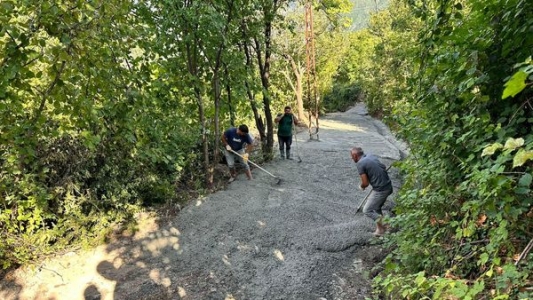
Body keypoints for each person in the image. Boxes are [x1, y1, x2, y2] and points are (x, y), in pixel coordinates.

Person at [351, 147, 393, 236]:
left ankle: (387, 224)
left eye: (352, 156)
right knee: (376, 208)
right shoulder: (371, 156)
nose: (351, 158)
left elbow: (365, 183)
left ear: (355, 155)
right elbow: (384, 167)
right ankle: (380, 230)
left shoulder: (360, 164)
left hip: (381, 190)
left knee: (367, 210)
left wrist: (361, 186)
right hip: (387, 186)